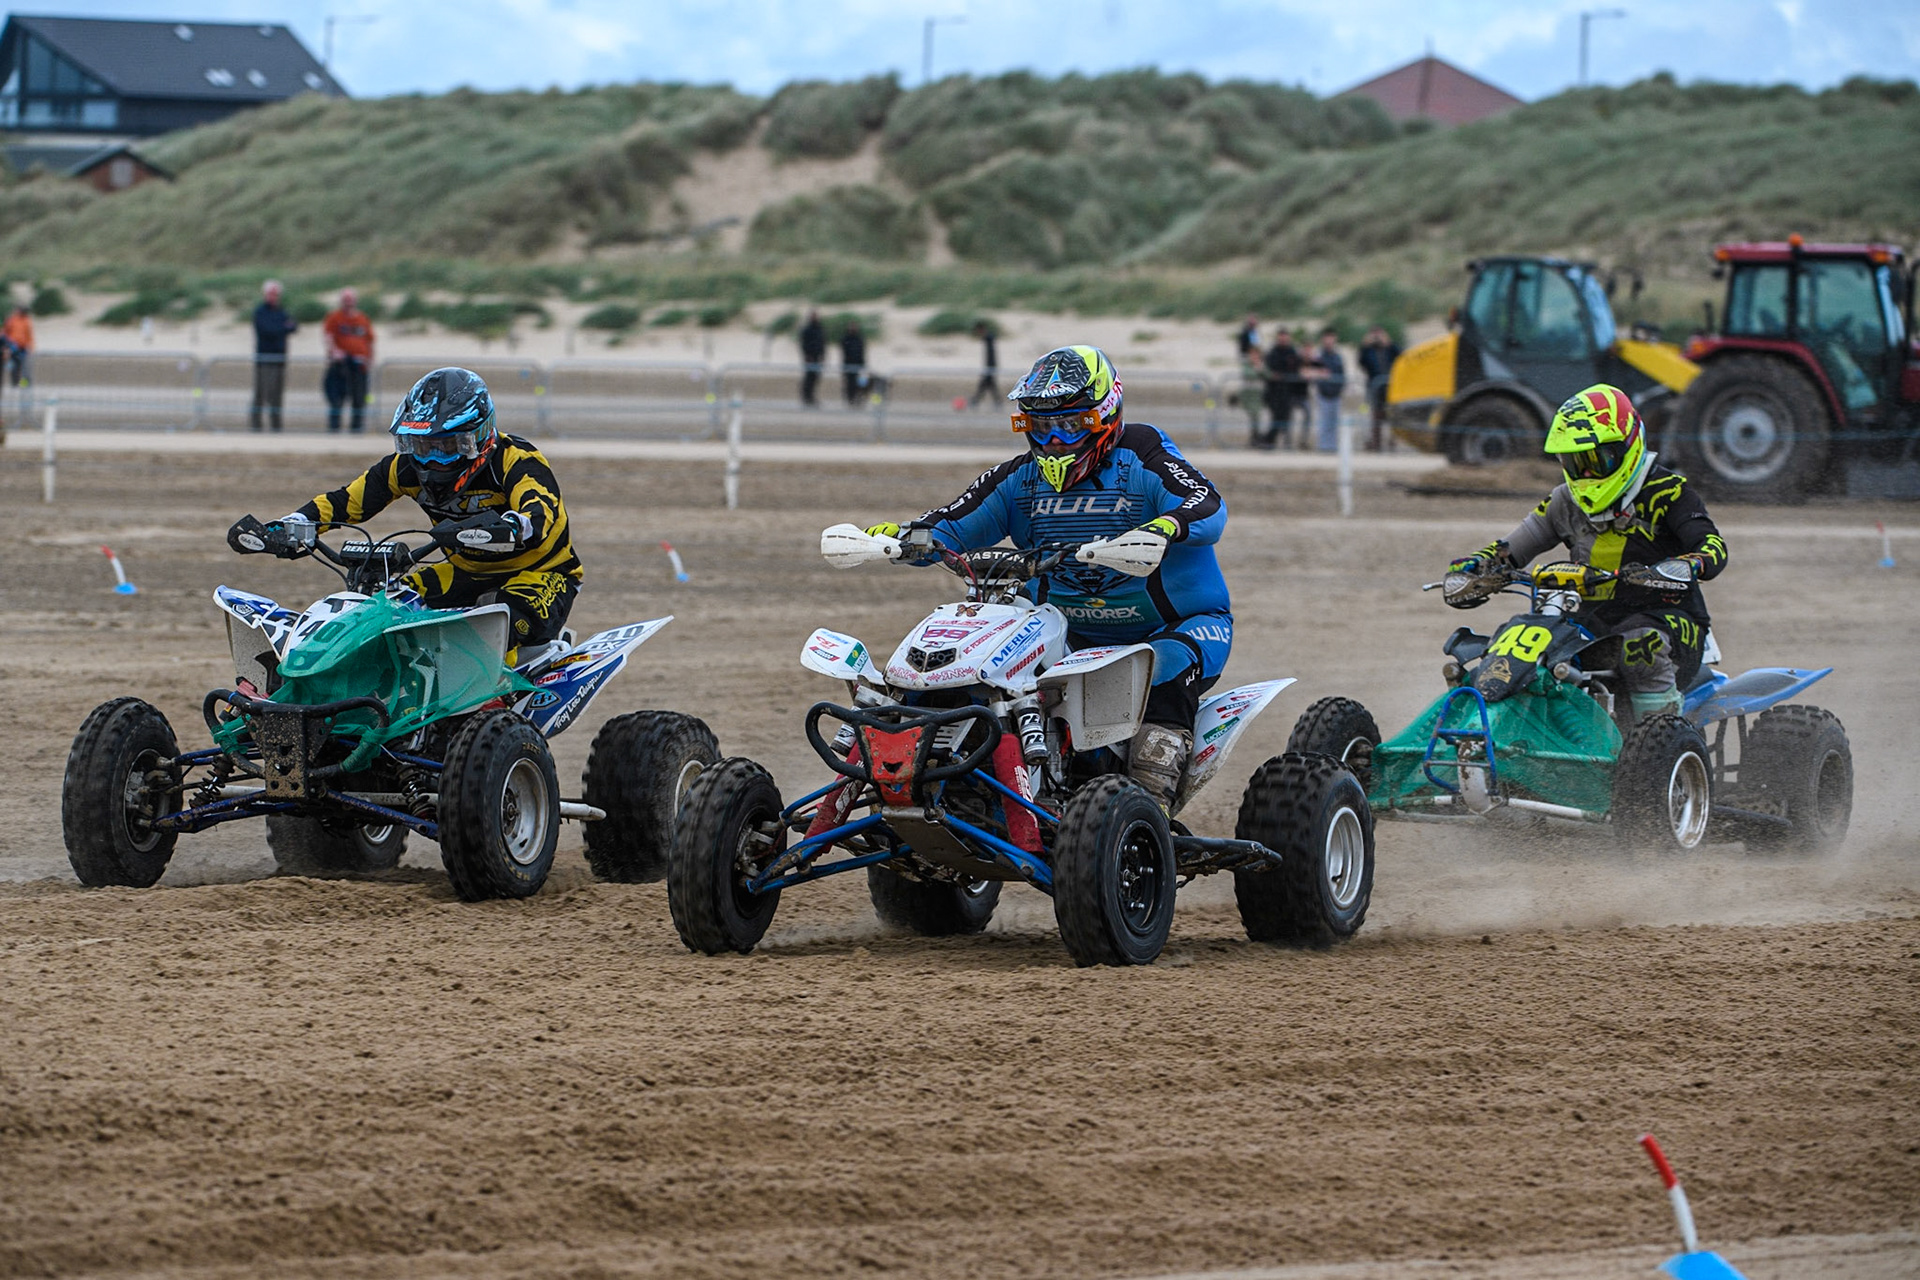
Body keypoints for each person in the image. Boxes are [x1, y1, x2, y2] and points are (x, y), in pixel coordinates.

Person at [859, 345, 1231, 808]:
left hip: (1174, 628)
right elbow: (949, 527)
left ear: (1104, 415)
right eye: (1040, 426)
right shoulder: (1020, 480)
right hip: (1065, 631)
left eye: (1070, 425)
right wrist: (898, 538)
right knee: (974, 665)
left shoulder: (1144, 456)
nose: (1054, 441)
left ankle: (1147, 810)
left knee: (1163, 667)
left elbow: (1208, 505)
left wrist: (1165, 526)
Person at [1445, 383, 1729, 721]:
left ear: (1627, 445)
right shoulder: (1564, 500)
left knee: (1640, 645)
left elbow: (1712, 546)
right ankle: (1486, 734)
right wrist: (1477, 567)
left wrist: (1686, 565)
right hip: (1590, 620)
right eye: (1575, 462)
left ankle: (1659, 738)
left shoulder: (1669, 492)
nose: (1586, 473)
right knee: (1516, 640)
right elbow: (1510, 549)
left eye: (1596, 460)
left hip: (1669, 619)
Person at [250, 368, 583, 652]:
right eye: (421, 445)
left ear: (478, 436)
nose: (430, 460)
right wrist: (292, 524)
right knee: (388, 611)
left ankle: (495, 710)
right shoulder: (405, 468)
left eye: (446, 446)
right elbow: (344, 502)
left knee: (497, 624)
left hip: (541, 573)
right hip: (464, 570)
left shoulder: (516, 460)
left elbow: (542, 514)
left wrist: (510, 527)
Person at [322, 288, 375, 434]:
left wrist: (369, 360)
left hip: (359, 367)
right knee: (336, 399)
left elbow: (369, 341)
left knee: (359, 399)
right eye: (345, 300)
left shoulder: (363, 319)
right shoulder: (334, 318)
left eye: (350, 300)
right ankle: (334, 430)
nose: (348, 303)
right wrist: (334, 352)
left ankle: (356, 430)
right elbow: (328, 337)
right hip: (341, 366)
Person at [250, 280, 298, 433]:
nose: (273, 297)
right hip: (264, 360)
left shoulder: (281, 311)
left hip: (279, 360)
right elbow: (267, 330)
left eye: (276, 294)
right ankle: (256, 427)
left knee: (277, 396)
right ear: (265, 294)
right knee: (261, 393)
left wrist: (282, 328)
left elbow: (293, 326)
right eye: (271, 294)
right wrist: (283, 328)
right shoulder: (260, 312)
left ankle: (276, 428)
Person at [1357, 325, 1401, 452]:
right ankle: (1376, 445)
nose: (1376, 337)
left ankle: (1392, 444)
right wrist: (1365, 345)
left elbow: (1401, 356)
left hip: (1390, 387)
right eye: (1374, 334)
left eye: (1379, 333)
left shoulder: (1390, 348)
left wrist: (1389, 343)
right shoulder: (1368, 350)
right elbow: (1361, 362)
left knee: (1392, 416)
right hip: (1374, 388)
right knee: (1375, 416)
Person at [1306, 327, 1346, 452]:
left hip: (1335, 394)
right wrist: (1321, 375)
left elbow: (1341, 374)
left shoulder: (1337, 357)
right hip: (1323, 393)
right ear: (1323, 339)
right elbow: (1312, 371)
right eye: (1327, 337)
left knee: (1334, 422)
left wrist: (1339, 387)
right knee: (1324, 422)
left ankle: (1332, 446)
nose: (1329, 340)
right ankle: (1323, 446)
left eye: (1331, 337)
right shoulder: (1318, 356)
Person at [1261, 330, 1302, 449]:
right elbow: (1270, 368)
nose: (1283, 340)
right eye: (1281, 337)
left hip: (1287, 391)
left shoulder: (1292, 352)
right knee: (1277, 417)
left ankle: (1274, 441)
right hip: (1273, 391)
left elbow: (1296, 367)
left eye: (1285, 337)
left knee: (1284, 417)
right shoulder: (1273, 352)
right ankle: (1269, 440)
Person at [1237, 349, 1269, 448]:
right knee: (1252, 418)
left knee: (1257, 418)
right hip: (1248, 396)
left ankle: (1256, 438)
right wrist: (1258, 369)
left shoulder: (1261, 365)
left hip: (1258, 396)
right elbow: (1248, 374)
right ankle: (1254, 438)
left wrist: (1260, 369)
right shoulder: (1247, 365)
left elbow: (1268, 374)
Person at [798, 309, 826, 407]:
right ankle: (806, 397)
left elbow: (823, 343)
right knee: (809, 378)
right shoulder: (807, 329)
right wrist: (807, 355)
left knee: (815, 378)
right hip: (810, 358)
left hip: (818, 357)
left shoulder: (820, 329)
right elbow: (804, 344)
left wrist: (823, 356)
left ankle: (811, 397)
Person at [969, 319, 999, 407]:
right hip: (989, 364)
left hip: (991, 364)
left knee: (985, 384)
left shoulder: (989, 337)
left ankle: (975, 400)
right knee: (990, 385)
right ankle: (997, 401)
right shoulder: (988, 338)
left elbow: (989, 337)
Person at [4, 303, 34, 388]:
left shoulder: (27, 321)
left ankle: (24, 384)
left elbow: (29, 334)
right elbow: (6, 332)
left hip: (23, 347)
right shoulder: (12, 320)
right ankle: (15, 383)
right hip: (13, 347)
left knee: (24, 367)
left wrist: (31, 346)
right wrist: (6, 346)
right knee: (14, 366)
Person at [840, 318, 867, 408]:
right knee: (850, 384)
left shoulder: (860, 338)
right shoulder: (845, 338)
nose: (853, 328)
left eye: (854, 326)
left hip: (859, 365)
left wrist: (863, 364)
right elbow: (844, 352)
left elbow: (862, 351)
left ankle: (859, 399)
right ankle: (850, 399)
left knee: (861, 383)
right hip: (849, 365)